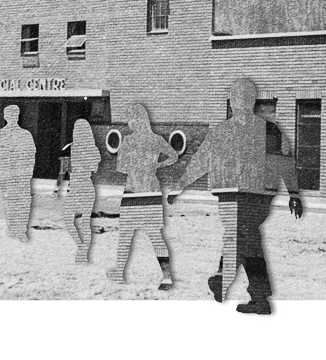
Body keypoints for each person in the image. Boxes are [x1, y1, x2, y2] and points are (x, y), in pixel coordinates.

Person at [171, 78, 303, 315]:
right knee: (247, 241)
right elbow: (285, 163)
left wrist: (180, 185)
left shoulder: (222, 131)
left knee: (238, 237)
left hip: (233, 197)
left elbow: (200, 161)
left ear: (234, 102)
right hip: (259, 197)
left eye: (238, 98)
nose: (238, 103)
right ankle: (258, 296)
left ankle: (223, 279)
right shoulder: (268, 128)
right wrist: (293, 193)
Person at [108, 104, 179, 289]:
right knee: (156, 235)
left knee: (125, 235)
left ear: (134, 119)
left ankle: (119, 272)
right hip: (152, 191)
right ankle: (166, 275)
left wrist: (136, 164)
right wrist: (157, 165)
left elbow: (121, 168)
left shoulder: (128, 141)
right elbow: (173, 157)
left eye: (129, 118)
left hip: (133, 191)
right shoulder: (156, 139)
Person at [0, 105, 36, 242]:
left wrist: (28, 172)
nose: (12, 117)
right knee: (10, 202)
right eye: (9, 115)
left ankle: (21, 231)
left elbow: (31, 156)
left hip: (21, 174)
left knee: (24, 202)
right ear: (5, 117)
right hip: (7, 174)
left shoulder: (26, 135)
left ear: (18, 116)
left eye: (15, 115)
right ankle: (12, 228)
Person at [64, 119, 102, 264]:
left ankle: (82, 250)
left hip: (76, 187)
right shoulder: (93, 150)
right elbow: (95, 169)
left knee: (69, 220)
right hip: (86, 185)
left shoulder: (69, 148)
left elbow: (65, 170)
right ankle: (83, 250)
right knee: (85, 222)